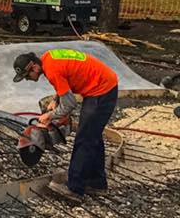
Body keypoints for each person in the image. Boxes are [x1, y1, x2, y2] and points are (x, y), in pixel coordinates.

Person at [12, 49, 119, 203]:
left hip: (101, 90)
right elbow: (66, 76)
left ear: (34, 67)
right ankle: (97, 183)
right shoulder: (48, 58)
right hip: (104, 83)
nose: (28, 79)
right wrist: (56, 99)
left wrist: (50, 115)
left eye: (27, 76)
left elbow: (70, 104)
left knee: (84, 139)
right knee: (92, 136)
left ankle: (74, 189)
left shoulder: (52, 70)